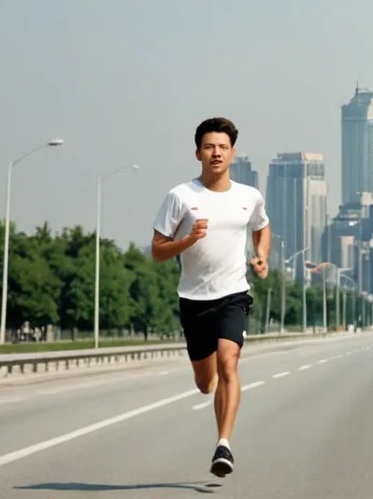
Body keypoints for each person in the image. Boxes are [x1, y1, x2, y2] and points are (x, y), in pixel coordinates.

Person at [151, 116, 270, 479]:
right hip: (194, 299)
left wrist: (262, 257)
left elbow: (262, 229)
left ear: (233, 153)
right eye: (209, 147)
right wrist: (187, 241)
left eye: (222, 147)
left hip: (234, 294)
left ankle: (224, 444)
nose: (216, 153)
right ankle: (212, 386)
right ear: (198, 153)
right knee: (206, 382)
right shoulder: (181, 196)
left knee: (229, 362)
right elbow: (157, 250)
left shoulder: (249, 196)